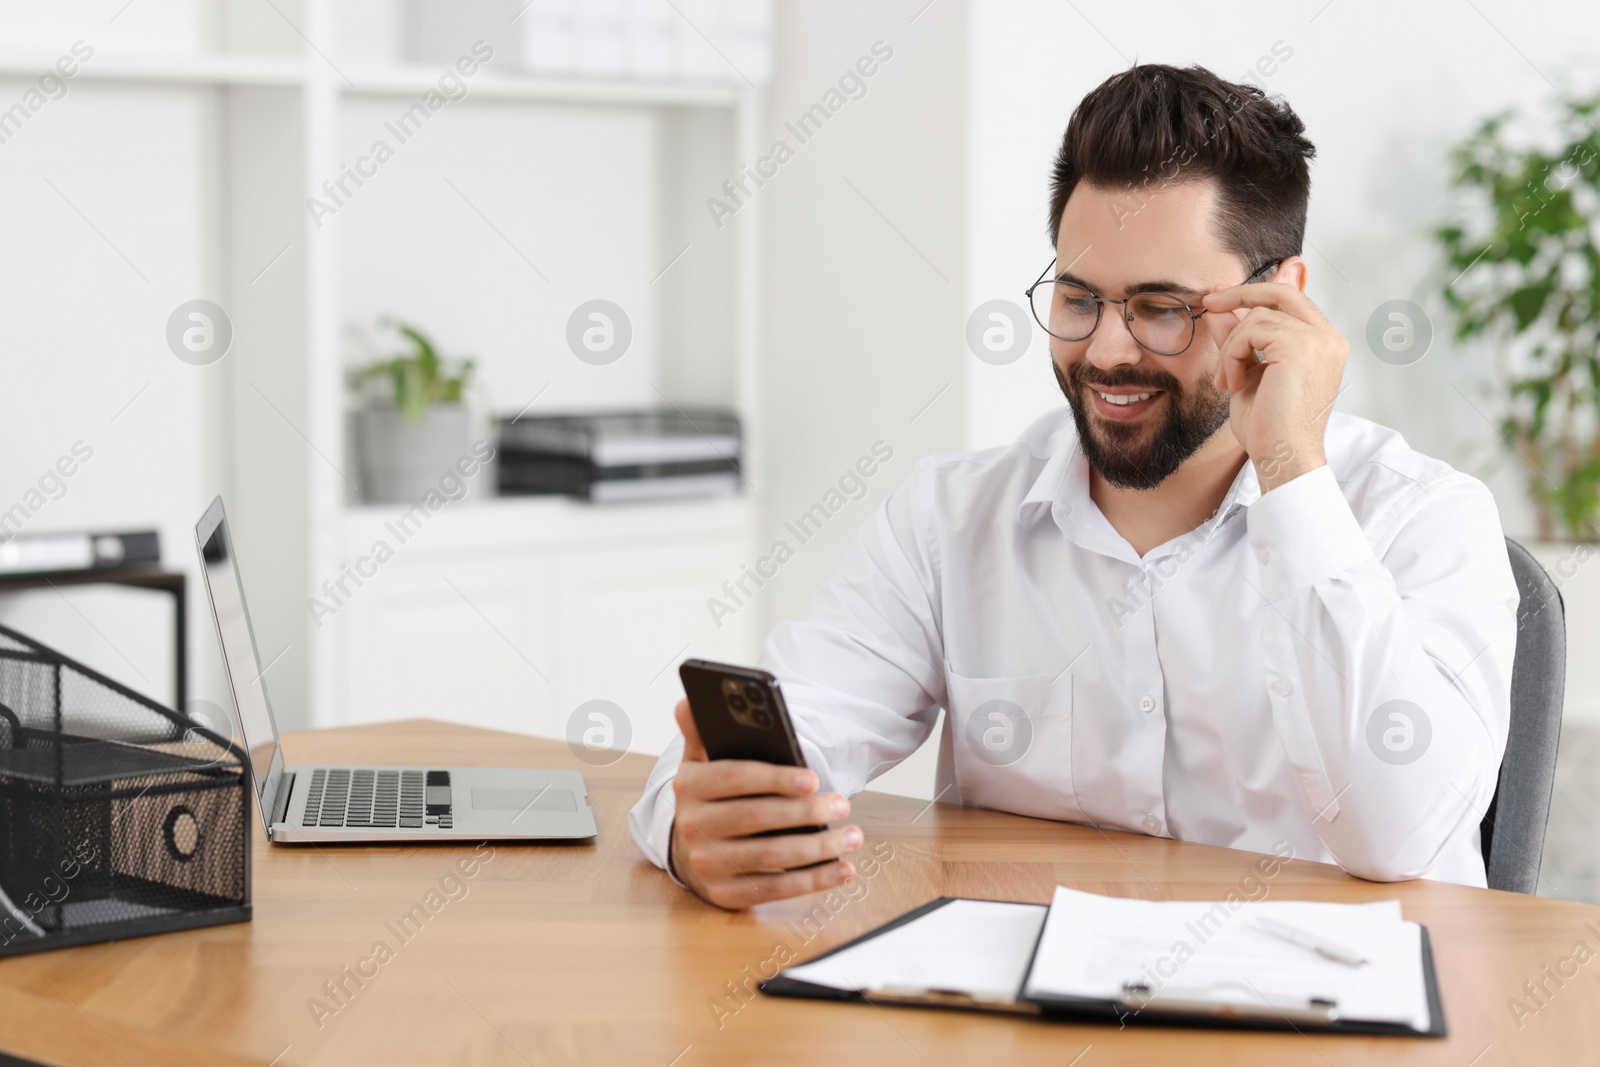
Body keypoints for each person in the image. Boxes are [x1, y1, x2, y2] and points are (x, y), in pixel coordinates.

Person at [629, 63, 1519, 909]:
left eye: (1163, 308)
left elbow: (1400, 835)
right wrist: (700, 825)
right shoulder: (951, 519)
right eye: (1080, 297)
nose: (1107, 351)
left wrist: (1290, 464)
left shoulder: (1424, 518)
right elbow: (784, 727)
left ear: (1279, 299)